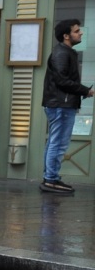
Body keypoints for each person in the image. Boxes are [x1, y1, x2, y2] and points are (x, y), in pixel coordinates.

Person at [40, 19, 93, 194]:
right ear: (66, 36)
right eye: (77, 31)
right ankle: (51, 180)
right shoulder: (61, 53)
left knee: (55, 142)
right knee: (59, 143)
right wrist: (86, 91)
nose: (81, 33)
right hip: (60, 104)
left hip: (60, 103)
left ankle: (51, 177)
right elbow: (61, 80)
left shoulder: (66, 52)